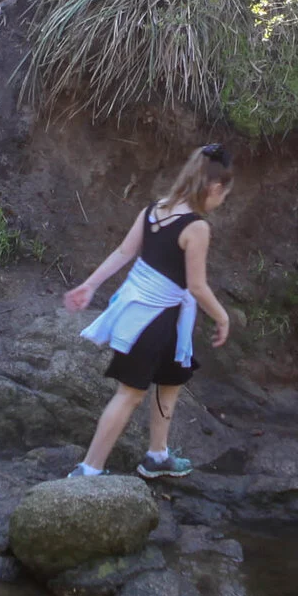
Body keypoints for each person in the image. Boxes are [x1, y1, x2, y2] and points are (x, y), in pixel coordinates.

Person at [60, 144, 236, 478]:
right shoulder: (197, 227)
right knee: (129, 394)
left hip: (162, 318)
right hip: (153, 319)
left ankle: (157, 455)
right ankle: (88, 469)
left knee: (170, 381)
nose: (222, 200)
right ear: (215, 187)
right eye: (224, 194)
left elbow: (123, 252)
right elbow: (197, 286)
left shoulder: (154, 211)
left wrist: (90, 284)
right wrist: (222, 317)